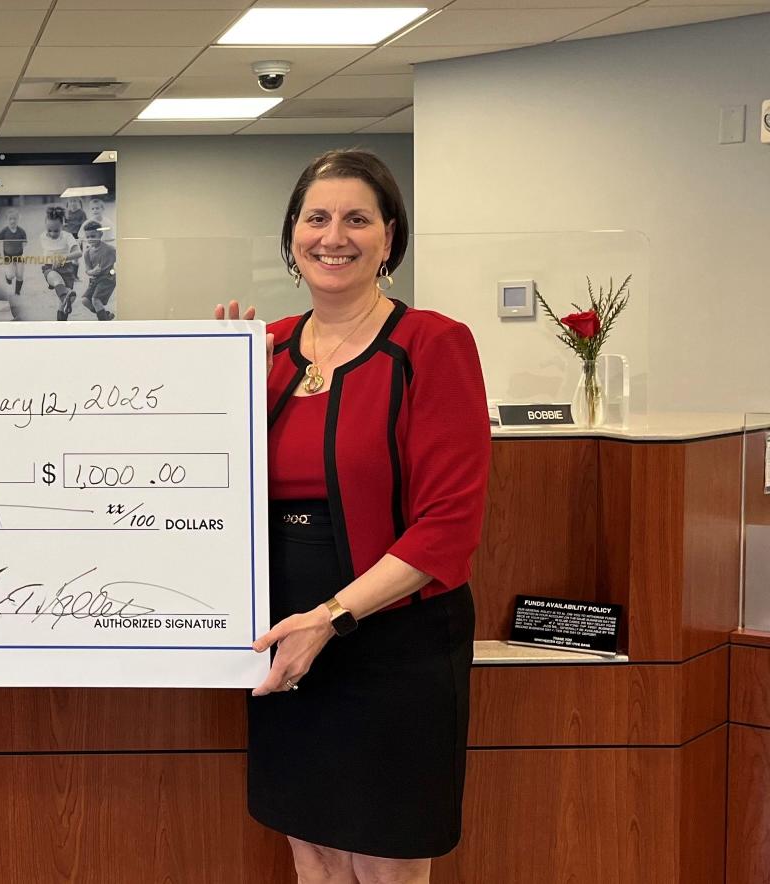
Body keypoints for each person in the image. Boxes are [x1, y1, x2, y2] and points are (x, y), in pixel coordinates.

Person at [216, 149, 488, 884]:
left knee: (386, 862)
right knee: (314, 855)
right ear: (292, 236)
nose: (334, 236)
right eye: (317, 218)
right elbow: (210, 491)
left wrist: (331, 618)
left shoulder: (432, 344)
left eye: (357, 219)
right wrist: (205, 386)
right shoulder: (260, 349)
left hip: (391, 638)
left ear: (389, 239)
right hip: (281, 637)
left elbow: (447, 526)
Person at [35, 205, 81, 320]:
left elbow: (78, 253)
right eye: (49, 230)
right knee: (56, 280)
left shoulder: (68, 236)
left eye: (56, 230)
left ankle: (61, 323)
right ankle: (66, 297)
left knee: (64, 304)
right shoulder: (43, 237)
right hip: (50, 268)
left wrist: (63, 257)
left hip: (67, 269)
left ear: (62, 225)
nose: (52, 233)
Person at [78, 220, 116, 321]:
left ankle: (103, 323)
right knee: (85, 300)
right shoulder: (87, 253)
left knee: (95, 299)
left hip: (107, 279)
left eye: (93, 236)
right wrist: (93, 272)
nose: (90, 239)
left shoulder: (110, 249)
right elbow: (88, 271)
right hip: (95, 280)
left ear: (100, 234)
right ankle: (105, 315)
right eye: (88, 237)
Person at [0, 208, 28, 295]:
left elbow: (25, 243)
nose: (12, 221)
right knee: (11, 275)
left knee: (20, 275)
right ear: (7, 220)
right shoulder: (4, 231)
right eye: (10, 219)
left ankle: (17, 292)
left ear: (18, 219)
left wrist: (24, 248)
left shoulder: (21, 231)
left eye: (15, 219)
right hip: (8, 255)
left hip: (19, 255)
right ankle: (8, 277)